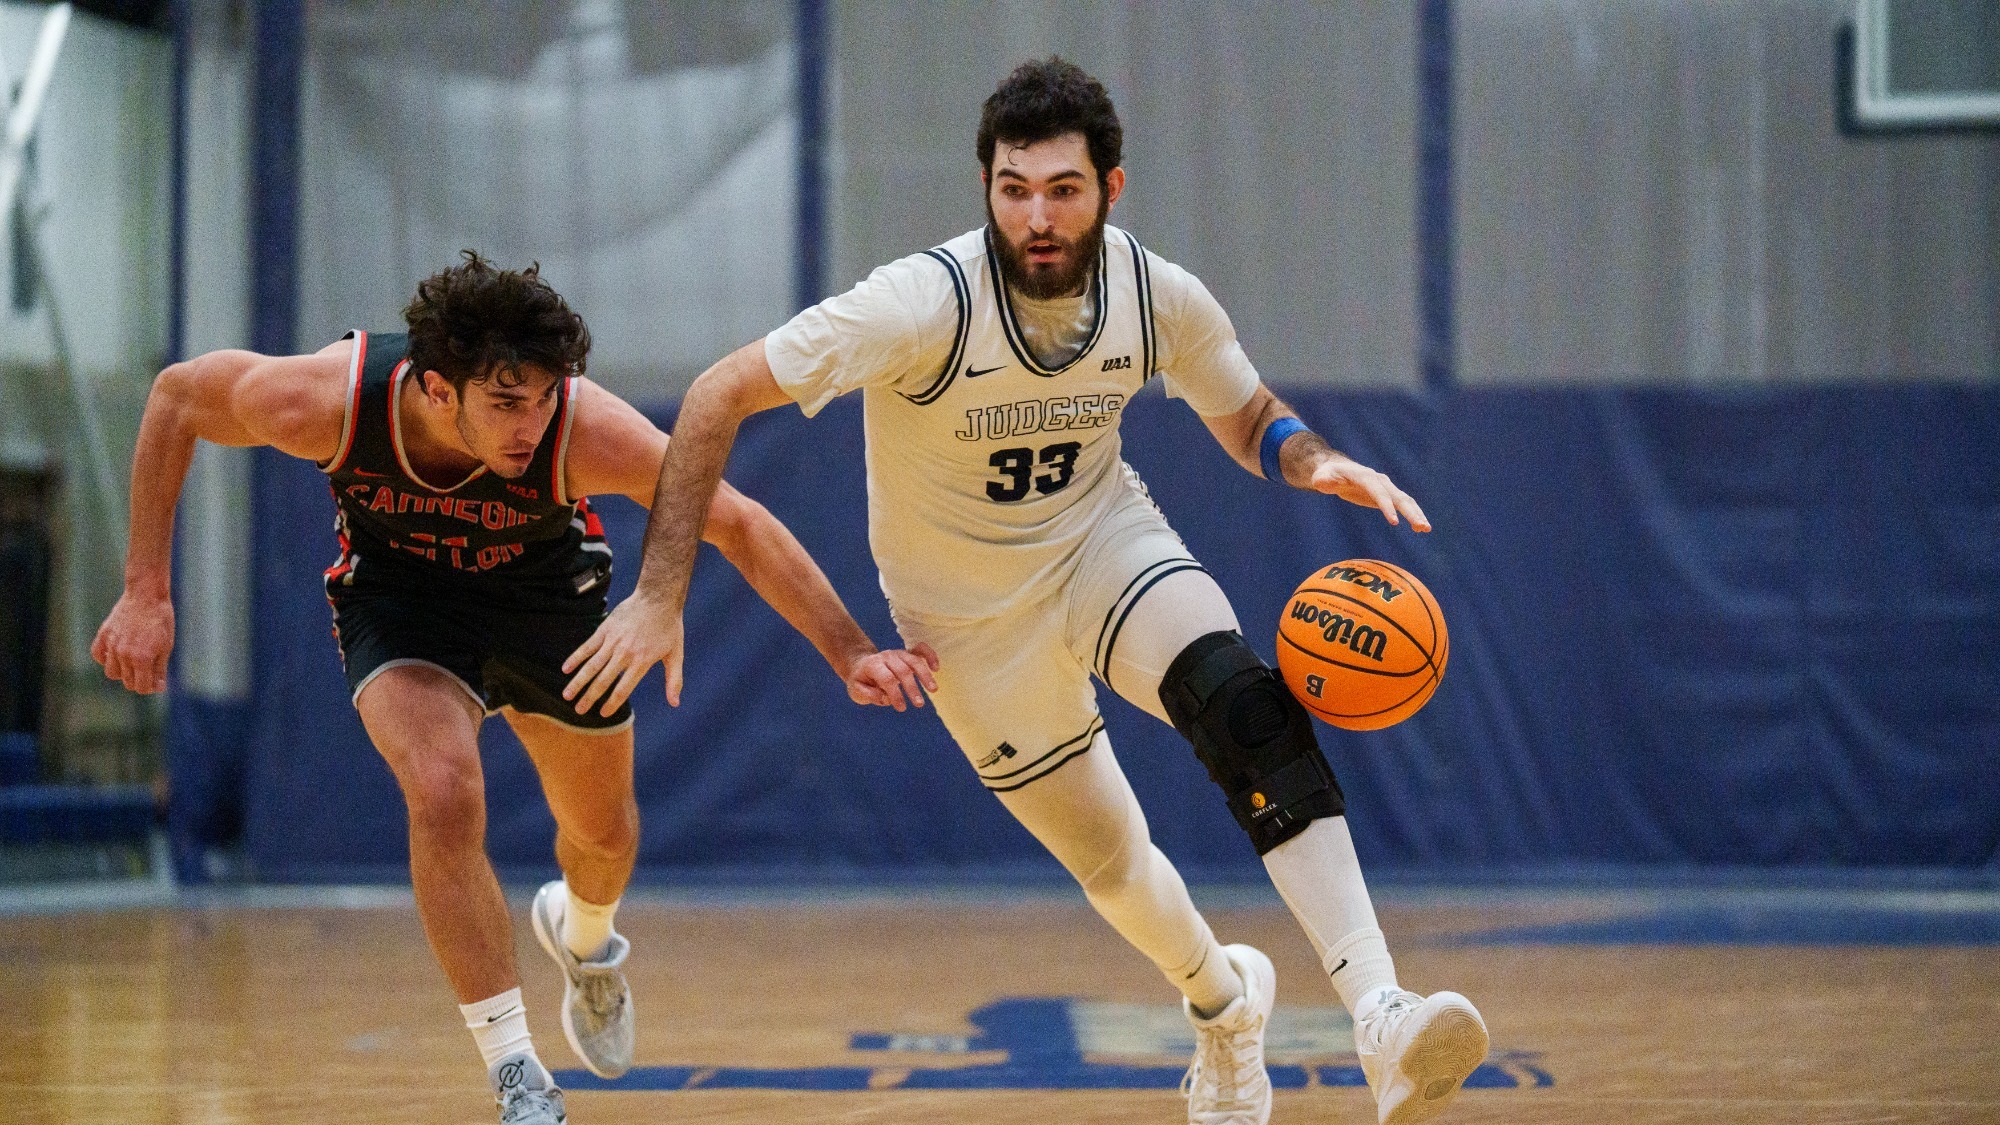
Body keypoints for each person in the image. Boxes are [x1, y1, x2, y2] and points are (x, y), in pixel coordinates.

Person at [565, 59, 1488, 1125]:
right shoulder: (920, 305)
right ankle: (1223, 1006)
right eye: (1013, 190)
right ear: (986, 188)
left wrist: (1313, 460)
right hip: (966, 626)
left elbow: (1246, 414)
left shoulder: (1155, 295)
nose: (1036, 217)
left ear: (1111, 189)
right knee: (1113, 865)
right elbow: (715, 393)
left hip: (1102, 546)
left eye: (1061, 189)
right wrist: (660, 593)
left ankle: (1379, 1013)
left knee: (1241, 704)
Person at [90, 253, 938, 1125]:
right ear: (436, 388)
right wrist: (145, 588)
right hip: (403, 602)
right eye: (505, 402)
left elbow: (740, 522)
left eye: (542, 398)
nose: (531, 423)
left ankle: (585, 936)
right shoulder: (327, 402)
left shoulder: (579, 429)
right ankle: (517, 1070)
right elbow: (177, 397)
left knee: (605, 837)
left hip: (544, 601)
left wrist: (850, 652)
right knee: (443, 792)